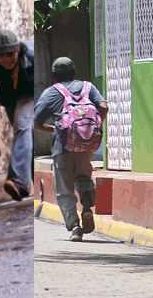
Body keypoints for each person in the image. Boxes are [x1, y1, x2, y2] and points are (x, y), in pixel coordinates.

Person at [34, 57, 108, 241]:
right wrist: (94, 129)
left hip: (62, 146)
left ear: (55, 75)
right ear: (74, 71)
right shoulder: (88, 87)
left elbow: (36, 122)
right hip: (86, 145)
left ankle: (75, 226)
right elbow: (104, 107)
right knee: (84, 178)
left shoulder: (51, 92)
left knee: (64, 188)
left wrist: (52, 129)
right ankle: (88, 208)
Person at [0, 29, 35, 203]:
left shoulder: (33, 55)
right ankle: (27, 187)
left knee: (22, 126)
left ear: (18, 50)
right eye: (1, 55)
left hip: (30, 93)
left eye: (11, 53)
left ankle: (18, 181)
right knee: (25, 135)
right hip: (9, 97)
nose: (7, 59)